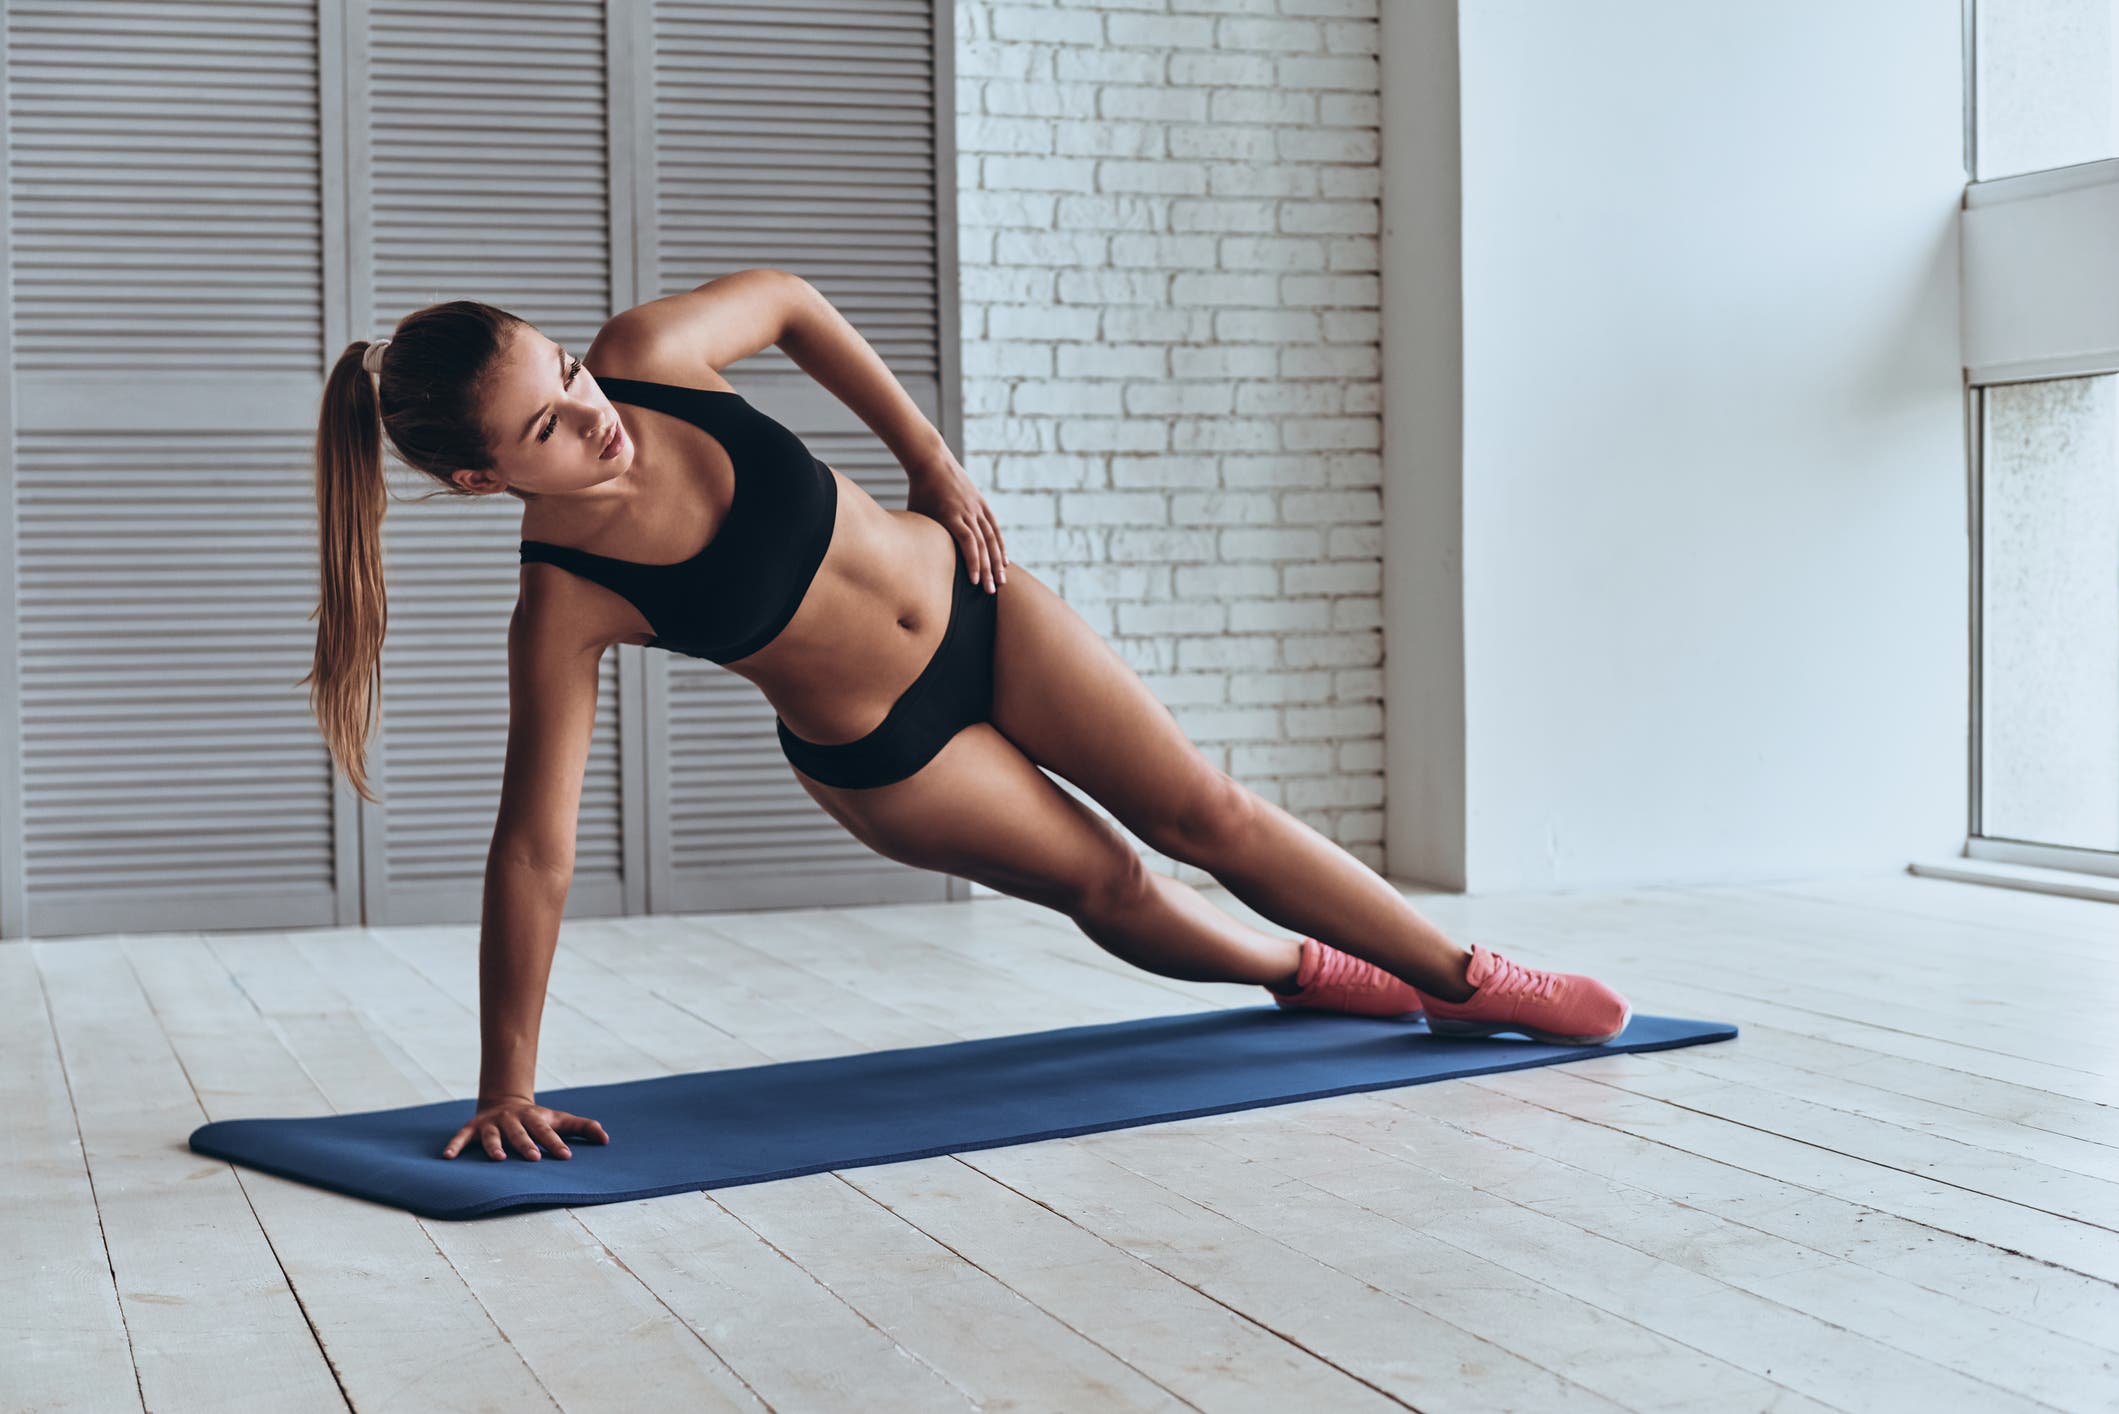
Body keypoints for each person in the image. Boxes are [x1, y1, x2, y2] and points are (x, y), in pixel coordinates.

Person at [302, 268, 1629, 1165]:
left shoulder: (650, 358)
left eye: (568, 375)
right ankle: (1303, 970)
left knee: (1204, 810)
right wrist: (503, 1083)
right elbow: (534, 848)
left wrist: (931, 459)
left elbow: (795, 304)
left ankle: (1467, 981)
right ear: (485, 479)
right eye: (549, 425)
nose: (592, 416)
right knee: (1112, 879)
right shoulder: (567, 598)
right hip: (892, 753)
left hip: (982, 603)